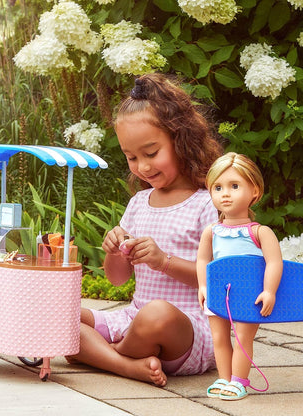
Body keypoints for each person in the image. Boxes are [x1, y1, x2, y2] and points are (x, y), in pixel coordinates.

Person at [67, 73, 223, 386]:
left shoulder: (207, 203)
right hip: (134, 317)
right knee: (63, 316)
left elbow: (220, 279)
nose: (143, 166)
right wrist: (115, 249)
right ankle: (129, 365)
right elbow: (117, 278)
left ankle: (111, 355)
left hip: (190, 328)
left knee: (157, 314)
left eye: (151, 153)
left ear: (181, 139)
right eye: (132, 157)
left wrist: (163, 260)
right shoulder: (139, 202)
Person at [197, 152, 283, 400]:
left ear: (254, 191)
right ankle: (224, 379)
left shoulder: (259, 232)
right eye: (218, 187)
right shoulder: (212, 232)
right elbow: (203, 260)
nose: (225, 193)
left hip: (248, 293)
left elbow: (273, 262)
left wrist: (269, 290)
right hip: (218, 292)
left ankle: (239, 381)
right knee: (219, 336)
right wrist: (203, 286)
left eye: (234, 186)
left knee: (244, 337)